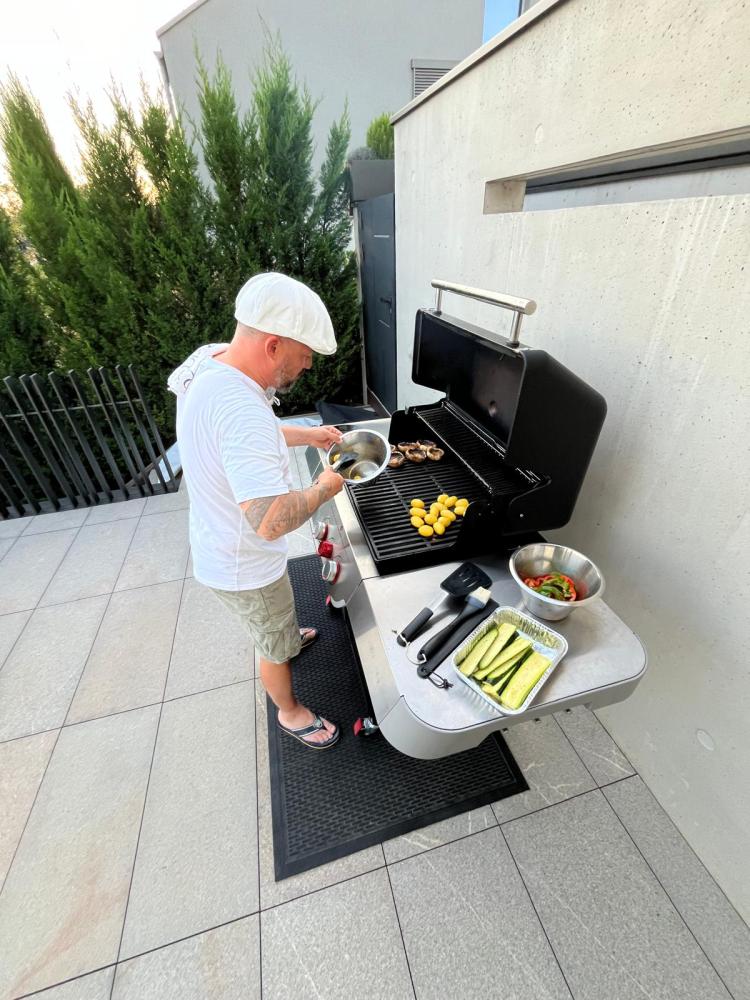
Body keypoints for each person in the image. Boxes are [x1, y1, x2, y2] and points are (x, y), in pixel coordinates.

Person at [169, 272, 346, 750]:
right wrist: (328, 484)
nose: (308, 367)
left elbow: (243, 431)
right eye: (304, 356)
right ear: (272, 346)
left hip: (218, 541)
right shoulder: (240, 407)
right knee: (271, 640)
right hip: (244, 563)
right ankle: (291, 712)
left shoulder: (213, 361)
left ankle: (287, 633)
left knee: (278, 621)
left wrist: (307, 435)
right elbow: (271, 522)